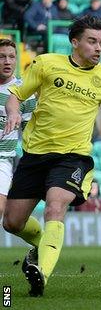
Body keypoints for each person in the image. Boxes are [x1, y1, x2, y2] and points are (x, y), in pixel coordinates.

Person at [2, 15, 101, 297]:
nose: (99, 48)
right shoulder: (47, 64)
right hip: (35, 155)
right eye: (92, 41)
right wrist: (12, 110)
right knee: (12, 222)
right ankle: (41, 247)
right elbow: (16, 94)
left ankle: (41, 274)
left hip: (73, 157)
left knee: (55, 206)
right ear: (74, 42)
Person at [0, 39, 36, 219]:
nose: (7, 61)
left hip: (3, 158)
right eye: (2, 57)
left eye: (11, 57)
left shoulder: (23, 92)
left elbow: (30, 130)